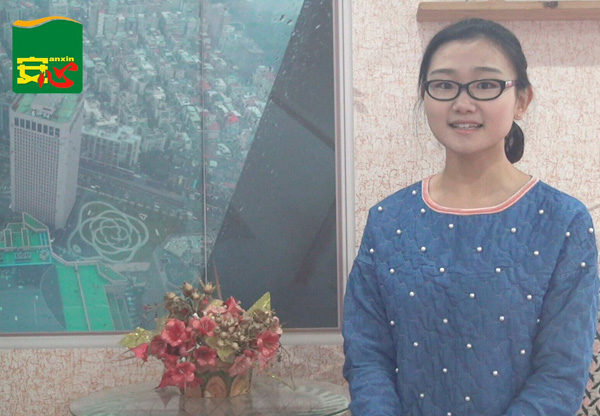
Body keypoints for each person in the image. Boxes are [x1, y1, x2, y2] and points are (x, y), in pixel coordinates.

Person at [342, 18, 599, 416]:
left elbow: (561, 374)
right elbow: (367, 356)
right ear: (424, 96)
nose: (463, 103)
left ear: (522, 99)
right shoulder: (388, 220)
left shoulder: (564, 222)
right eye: (444, 85)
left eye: (485, 84)